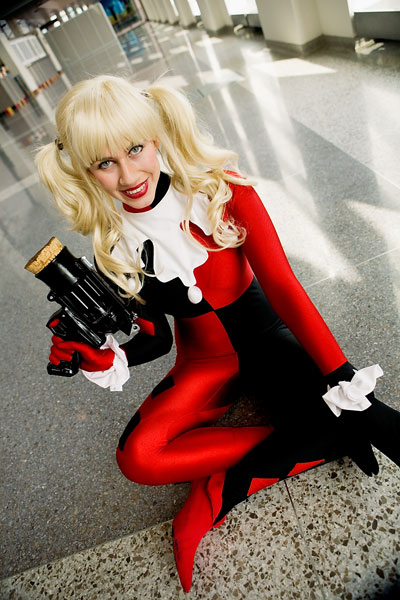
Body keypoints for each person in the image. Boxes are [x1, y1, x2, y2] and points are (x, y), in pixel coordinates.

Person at [35, 74, 399, 593]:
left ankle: (218, 494)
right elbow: (156, 339)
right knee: (137, 458)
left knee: (365, 410)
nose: (128, 175)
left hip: (268, 340)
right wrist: (102, 357)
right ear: (86, 170)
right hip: (203, 366)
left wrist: (341, 376)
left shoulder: (221, 189)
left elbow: (285, 289)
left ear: (155, 135)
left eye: (135, 149)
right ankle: (310, 437)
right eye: (104, 163)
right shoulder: (113, 241)